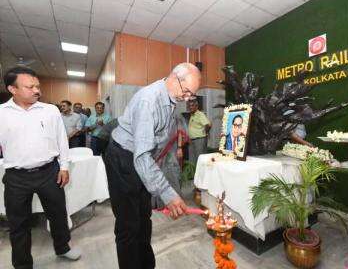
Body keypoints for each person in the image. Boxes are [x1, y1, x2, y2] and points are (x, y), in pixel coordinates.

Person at [104, 63, 201, 269]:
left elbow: (156, 144)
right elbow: (142, 157)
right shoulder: (149, 100)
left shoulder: (171, 97)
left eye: (191, 95)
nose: (187, 98)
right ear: (175, 78)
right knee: (128, 225)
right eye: (186, 92)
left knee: (143, 217)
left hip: (141, 158)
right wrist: (168, 192)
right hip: (124, 158)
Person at [0, 67, 81, 269]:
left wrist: (64, 166)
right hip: (16, 177)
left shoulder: (50, 110)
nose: (37, 90)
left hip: (49, 173)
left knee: (58, 215)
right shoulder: (2, 114)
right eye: (30, 86)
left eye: (37, 86)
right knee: (18, 224)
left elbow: (62, 140)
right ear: (12, 89)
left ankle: (63, 248)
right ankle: (22, 264)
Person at [187, 99, 211, 164]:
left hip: (199, 140)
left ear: (196, 106)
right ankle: (194, 173)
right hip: (191, 140)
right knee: (192, 159)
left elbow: (208, 125)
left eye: (192, 105)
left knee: (200, 159)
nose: (190, 107)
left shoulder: (200, 114)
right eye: (189, 106)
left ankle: (202, 173)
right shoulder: (192, 115)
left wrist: (205, 132)